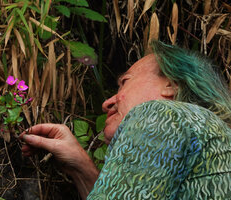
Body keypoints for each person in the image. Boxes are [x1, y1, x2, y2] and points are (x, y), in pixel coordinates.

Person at [19, 41, 231, 199]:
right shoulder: (208, 137)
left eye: (124, 82)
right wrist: (82, 169)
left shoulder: (161, 114)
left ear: (171, 85)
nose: (107, 103)